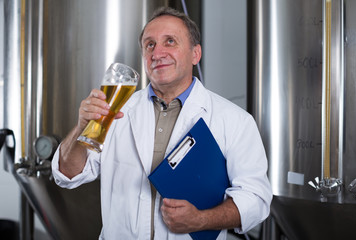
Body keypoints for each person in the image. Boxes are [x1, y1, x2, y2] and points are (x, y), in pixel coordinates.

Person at [52, 7, 272, 240]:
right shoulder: (116, 112)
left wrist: (201, 220)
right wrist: (81, 128)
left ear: (195, 54)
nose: (157, 53)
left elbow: (255, 200)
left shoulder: (234, 121)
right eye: (150, 45)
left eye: (170, 42)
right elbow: (67, 175)